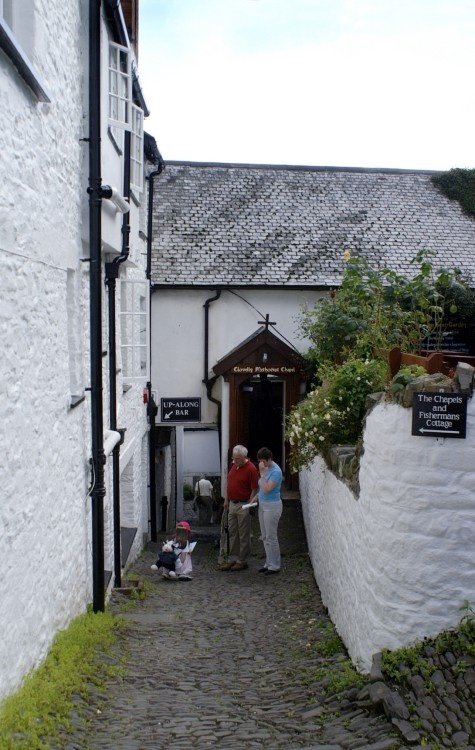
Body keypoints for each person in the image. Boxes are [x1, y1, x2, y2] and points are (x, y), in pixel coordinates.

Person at [218, 445, 259, 572]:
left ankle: (242, 560)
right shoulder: (234, 466)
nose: (234, 461)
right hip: (232, 503)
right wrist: (226, 499)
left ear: (244, 457)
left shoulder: (251, 468)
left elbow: (254, 488)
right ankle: (232, 558)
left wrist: (250, 504)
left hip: (243, 504)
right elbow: (229, 483)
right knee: (232, 531)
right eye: (233, 458)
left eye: (237, 459)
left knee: (243, 533)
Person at [256, 447, 283, 576]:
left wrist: (262, 473)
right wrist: (255, 498)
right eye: (260, 462)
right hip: (262, 504)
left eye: (263, 462)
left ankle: (275, 565)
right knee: (265, 536)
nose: (262, 464)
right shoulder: (265, 468)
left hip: (272, 506)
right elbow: (261, 488)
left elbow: (267, 488)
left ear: (269, 459)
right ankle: (269, 563)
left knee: (271, 536)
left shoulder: (276, 471)